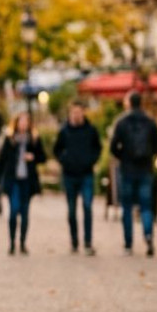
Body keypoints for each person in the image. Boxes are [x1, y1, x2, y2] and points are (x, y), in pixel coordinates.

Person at [110, 91, 157, 257]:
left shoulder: (122, 122)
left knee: (127, 207)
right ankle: (148, 236)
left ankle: (128, 243)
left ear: (128, 103)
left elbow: (113, 147)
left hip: (127, 169)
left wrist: (123, 157)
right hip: (145, 168)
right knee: (146, 206)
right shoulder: (150, 122)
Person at [0, 111, 46, 255]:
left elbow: (43, 157)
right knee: (13, 210)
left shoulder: (34, 139)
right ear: (16, 123)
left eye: (26, 121)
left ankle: (22, 243)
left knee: (25, 213)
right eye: (21, 121)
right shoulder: (10, 140)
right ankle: (11, 242)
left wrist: (32, 157)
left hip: (27, 181)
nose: (23, 124)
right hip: (13, 180)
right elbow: (1, 161)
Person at [53, 100, 101, 255]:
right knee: (72, 210)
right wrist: (64, 161)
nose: (76, 115)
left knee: (87, 206)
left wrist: (91, 160)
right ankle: (74, 240)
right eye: (74, 112)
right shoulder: (64, 131)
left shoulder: (91, 130)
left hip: (86, 173)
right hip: (70, 175)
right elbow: (57, 150)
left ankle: (88, 242)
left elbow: (97, 148)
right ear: (70, 113)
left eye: (79, 112)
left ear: (83, 112)